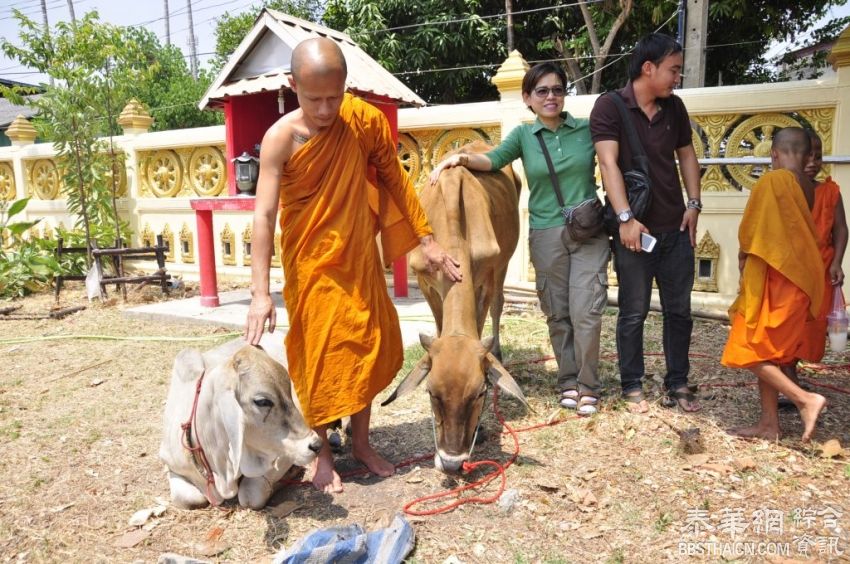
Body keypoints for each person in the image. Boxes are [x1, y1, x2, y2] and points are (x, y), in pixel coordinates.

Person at [244, 37, 462, 493]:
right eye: (314, 99)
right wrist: (260, 293)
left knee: (367, 342)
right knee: (321, 355)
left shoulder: (362, 120)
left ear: (347, 86)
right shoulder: (281, 138)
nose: (326, 109)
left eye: (334, 97)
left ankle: (361, 442)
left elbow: (394, 178)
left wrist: (428, 239)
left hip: (359, 254)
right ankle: (320, 455)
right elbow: (263, 216)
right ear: (292, 86)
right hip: (311, 264)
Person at [430, 62, 609, 416]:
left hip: (589, 231)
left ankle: (589, 385)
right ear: (527, 98)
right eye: (541, 91)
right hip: (545, 233)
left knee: (586, 310)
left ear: (564, 94)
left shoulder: (588, 130)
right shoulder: (524, 137)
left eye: (557, 90)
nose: (551, 97)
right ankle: (568, 381)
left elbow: (614, 164)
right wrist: (458, 159)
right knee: (557, 313)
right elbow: (494, 160)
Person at [589, 33, 702, 413]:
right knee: (633, 311)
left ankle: (678, 383)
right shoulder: (609, 107)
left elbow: (687, 157)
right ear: (648, 68)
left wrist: (694, 204)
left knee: (679, 311)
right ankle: (632, 383)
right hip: (635, 232)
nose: (677, 77)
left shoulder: (675, 108)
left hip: (675, 228)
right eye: (673, 70)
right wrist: (625, 218)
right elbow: (608, 164)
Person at [720, 127, 828, 442]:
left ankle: (805, 399)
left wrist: (742, 257)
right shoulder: (808, 186)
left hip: (777, 282)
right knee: (770, 352)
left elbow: (754, 234)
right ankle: (769, 424)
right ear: (808, 156)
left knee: (748, 349)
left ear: (773, 155)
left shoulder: (773, 180)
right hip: (796, 282)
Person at [781, 130, 847, 391]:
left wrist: (837, 262)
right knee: (788, 324)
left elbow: (841, 229)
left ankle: (791, 373)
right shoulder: (782, 188)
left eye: (817, 156)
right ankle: (787, 380)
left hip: (820, 271)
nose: (811, 162)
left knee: (810, 326)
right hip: (789, 272)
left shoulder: (830, 192)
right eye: (805, 155)